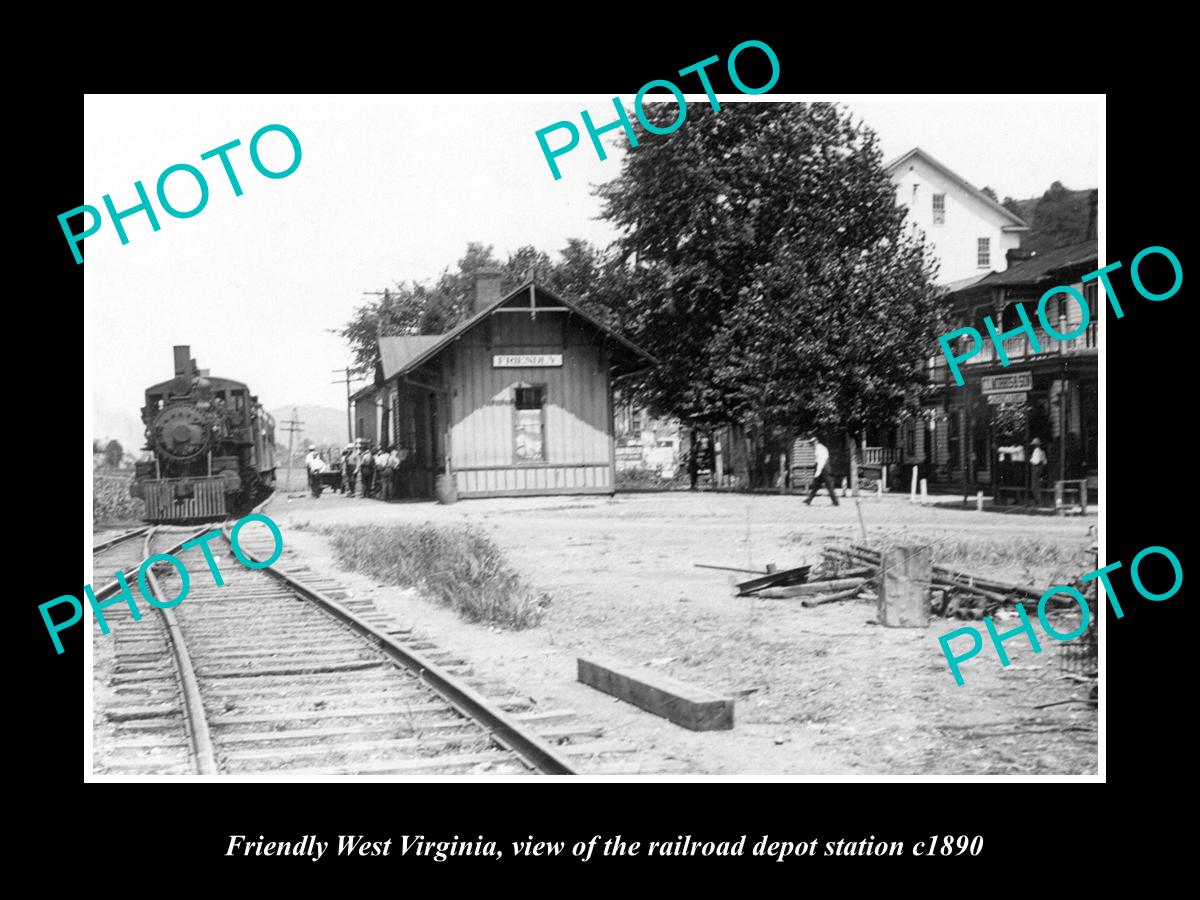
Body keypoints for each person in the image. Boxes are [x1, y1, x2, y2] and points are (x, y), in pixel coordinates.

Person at [804, 435, 839, 506]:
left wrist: (817, 473)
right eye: (811, 444)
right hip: (823, 468)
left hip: (824, 469)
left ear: (816, 442)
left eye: (812, 443)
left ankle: (835, 502)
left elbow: (821, 462)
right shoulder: (820, 448)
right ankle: (809, 500)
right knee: (816, 486)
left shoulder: (819, 449)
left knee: (829, 486)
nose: (812, 445)